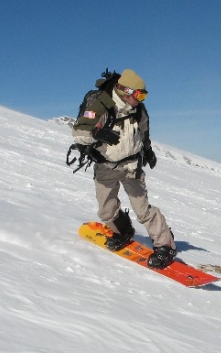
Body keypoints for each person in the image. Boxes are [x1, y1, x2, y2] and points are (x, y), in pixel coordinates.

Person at [71, 69, 177, 269]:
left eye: (143, 95)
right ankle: (123, 231)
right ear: (125, 91)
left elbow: (144, 132)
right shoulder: (100, 105)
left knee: (143, 210)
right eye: (140, 95)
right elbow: (79, 133)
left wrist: (148, 151)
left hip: (131, 165)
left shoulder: (139, 110)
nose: (142, 99)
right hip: (105, 165)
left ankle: (165, 245)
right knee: (106, 211)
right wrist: (98, 134)